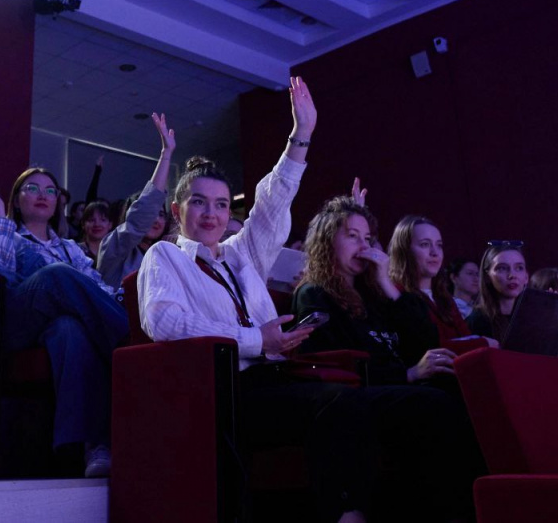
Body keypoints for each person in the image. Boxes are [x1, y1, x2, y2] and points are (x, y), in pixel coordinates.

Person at [138, 78, 472, 523]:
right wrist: (257, 340)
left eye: (221, 204)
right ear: (178, 211)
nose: (212, 214)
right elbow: (164, 323)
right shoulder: (164, 256)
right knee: (339, 401)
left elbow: (272, 204)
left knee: (418, 403)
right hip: (229, 391)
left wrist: (301, 135)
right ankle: (347, 516)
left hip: (280, 378)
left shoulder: (240, 255)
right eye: (199, 203)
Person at [0, 167, 127, 478]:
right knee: (56, 275)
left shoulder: (70, 248)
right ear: (16, 200)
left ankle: (90, 445)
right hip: (17, 320)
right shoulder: (7, 234)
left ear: (58, 201)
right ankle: (129, 345)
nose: (42, 195)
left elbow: (96, 287)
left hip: (53, 328)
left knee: (70, 329)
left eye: (50, 191)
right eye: (32, 189)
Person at [293, 196, 454, 386]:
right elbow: (336, 365)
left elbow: (427, 340)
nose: (364, 246)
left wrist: (385, 282)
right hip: (370, 394)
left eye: (367, 239)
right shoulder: (314, 294)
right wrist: (407, 374)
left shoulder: (372, 293)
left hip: (403, 387)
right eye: (353, 236)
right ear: (328, 241)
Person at [95, 113, 175, 291]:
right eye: (151, 213)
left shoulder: (167, 255)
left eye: (161, 214)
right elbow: (139, 220)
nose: (155, 219)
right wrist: (166, 154)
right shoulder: (114, 249)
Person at [387, 215, 472, 343]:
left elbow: (466, 338)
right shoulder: (396, 294)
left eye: (439, 245)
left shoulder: (444, 298)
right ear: (404, 251)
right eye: (425, 244)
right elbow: (428, 346)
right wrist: (483, 342)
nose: (435, 253)